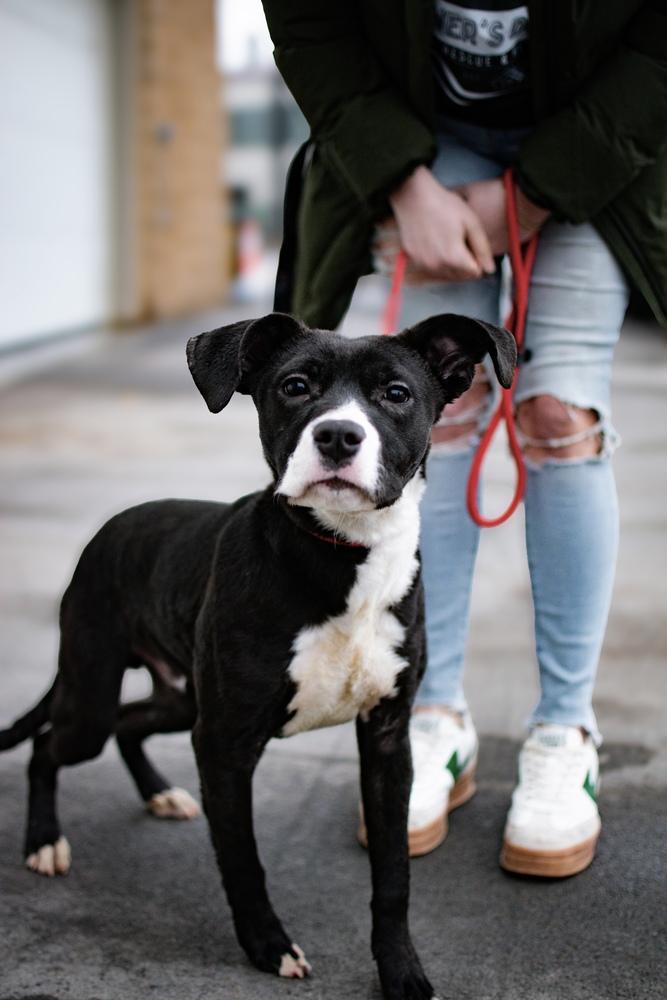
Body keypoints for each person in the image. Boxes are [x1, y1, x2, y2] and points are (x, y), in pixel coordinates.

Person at [261, 0, 667, 877]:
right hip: (424, 140)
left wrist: (532, 194)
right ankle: (431, 710)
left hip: (604, 141)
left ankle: (565, 729)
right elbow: (310, 23)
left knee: (559, 414)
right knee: (431, 418)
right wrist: (401, 182)